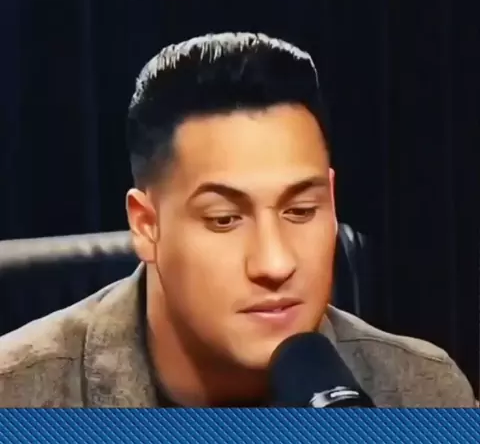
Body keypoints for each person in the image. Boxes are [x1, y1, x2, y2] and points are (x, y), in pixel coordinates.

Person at [0, 32, 475, 407]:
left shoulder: (422, 391)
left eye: (300, 211)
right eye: (225, 219)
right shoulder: (19, 396)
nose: (274, 263)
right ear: (146, 225)